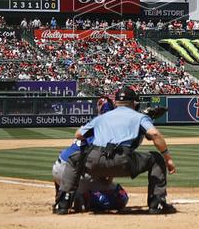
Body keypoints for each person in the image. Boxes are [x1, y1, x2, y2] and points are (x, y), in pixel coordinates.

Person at [54, 87, 176, 215]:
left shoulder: (102, 117)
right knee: (156, 158)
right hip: (123, 162)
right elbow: (155, 134)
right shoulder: (140, 117)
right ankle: (157, 203)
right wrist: (168, 159)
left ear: (116, 102)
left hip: (95, 162)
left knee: (74, 159)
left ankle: (63, 203)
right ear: (134, 103)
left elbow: (78, 134)